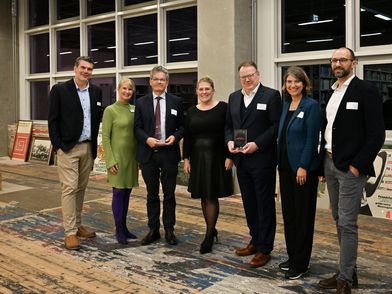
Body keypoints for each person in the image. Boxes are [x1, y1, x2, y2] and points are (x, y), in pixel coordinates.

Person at [318, 47, 385, 294]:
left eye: (342, 59)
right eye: (334, 60)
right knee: (338, 218)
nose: (338, 63)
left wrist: (358, 164)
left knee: (347, 222)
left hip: (350, 168)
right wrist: (321, 165)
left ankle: (345, 279)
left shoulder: (366, 90)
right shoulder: (332, 92)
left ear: (353, 63)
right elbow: (328, 131)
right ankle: (349, 270)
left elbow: (376, 133)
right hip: (329, 162)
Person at [225, 60, 282, 267]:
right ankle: (255, 240)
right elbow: (228, 126)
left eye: (251, 75)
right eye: (243, 76)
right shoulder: (233, 97)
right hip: (241, 160)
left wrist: (257, 144)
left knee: (264, 204)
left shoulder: (271, 95)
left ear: (258, 74)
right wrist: (229, 141)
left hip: (262, 159)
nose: (247, 79)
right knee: (249, 202)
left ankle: (265, 248)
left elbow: (276, 127)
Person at [48, 56, 103, 250]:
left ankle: (78, 224)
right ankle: (70, 233)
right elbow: (52, 120)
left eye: (89, 68)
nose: (86, 71)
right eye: (83, 67)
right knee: (69, 188)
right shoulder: (60, 90)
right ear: (75, 69)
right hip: (68, 148)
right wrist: (58, 146)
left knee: (81, 188)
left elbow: (97, 120)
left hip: (88, 148)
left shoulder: (96, 91)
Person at [277, 66, 321, 279]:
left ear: (304, 84)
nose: (292, 85)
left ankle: (301, 263)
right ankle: (292, 256)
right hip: (285, 169)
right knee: (290, 215)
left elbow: (312, 140)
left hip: (302, 170)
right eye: (289, 82)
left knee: (303, 217)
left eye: (296, 82)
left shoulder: (311, 106)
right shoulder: (286, 105)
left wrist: (303, 165)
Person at [183, 76, 233, 254]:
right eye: (201, 89)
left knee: (212, 195)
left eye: (207, 89)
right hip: (197, 158)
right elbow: (188, 137)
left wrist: (230, 156)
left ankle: (209, 235)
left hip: (217, 157)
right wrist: (186, 159)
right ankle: (211, 230)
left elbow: (229, 131)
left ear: (213, 90)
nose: (204, 92)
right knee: (203, 196)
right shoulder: (191, 111)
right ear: (197, 91)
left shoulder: (223, 108)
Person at [134, 66, 184, 246]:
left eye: (163, 79)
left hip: (169, 153)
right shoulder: (141, 102)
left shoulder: (176, 101)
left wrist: (176, 137)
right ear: (150, 81)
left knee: (170, 194)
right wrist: (147, 139)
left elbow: (182, 126)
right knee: (151, 194)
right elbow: (136, 128)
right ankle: (153, 229)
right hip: (148, 153)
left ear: (167, 82)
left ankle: (169, 229)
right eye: (156, 79)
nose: (159, 82)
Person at [102, 78, 139, 245]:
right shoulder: (110, 110)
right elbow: (105, 138)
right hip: (117, 159)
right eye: (124, 88)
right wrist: (110, 160)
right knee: (118, 193)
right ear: (118, 89)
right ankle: (118, 229)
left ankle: (124, 227)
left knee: (127, 193)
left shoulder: (134, 110)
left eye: (130, 89)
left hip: (131, 158)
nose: (127, 92)